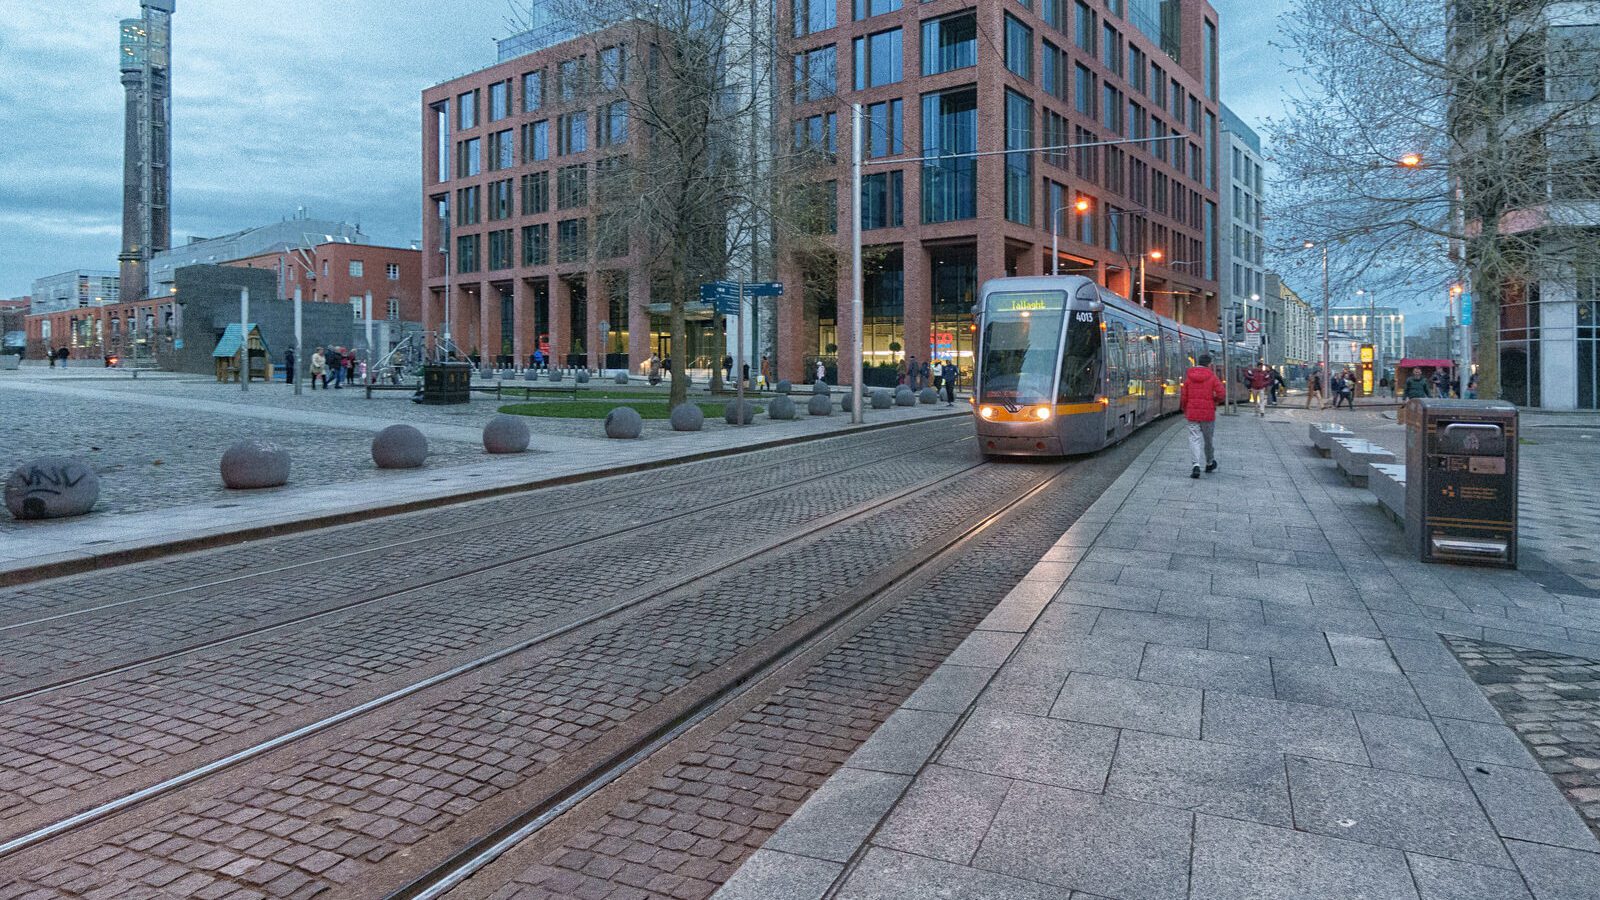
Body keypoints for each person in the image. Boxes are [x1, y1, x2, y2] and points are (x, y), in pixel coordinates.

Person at [1181, 352, 1225, 479]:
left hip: (1192, 413)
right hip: (1208, 414)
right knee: (1208, 440)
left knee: (1194, 438)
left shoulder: (1189, 377)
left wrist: (1185, 408)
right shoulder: (1212, 376)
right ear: (1209, 364)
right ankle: (1210, 462)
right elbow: (1222, 393)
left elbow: (1184, 396)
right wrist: (1214, 400)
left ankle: (1196, 465)